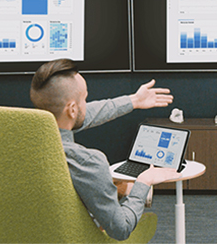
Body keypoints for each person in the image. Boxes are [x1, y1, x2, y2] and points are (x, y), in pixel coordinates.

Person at [30, 59, 181, 241]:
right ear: (71, 109)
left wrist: (133, 100)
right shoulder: (88, 162)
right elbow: (121, 229)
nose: (87, 104)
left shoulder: (14, 139)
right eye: (85, 99)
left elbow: (85, 115)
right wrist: (144, 182)